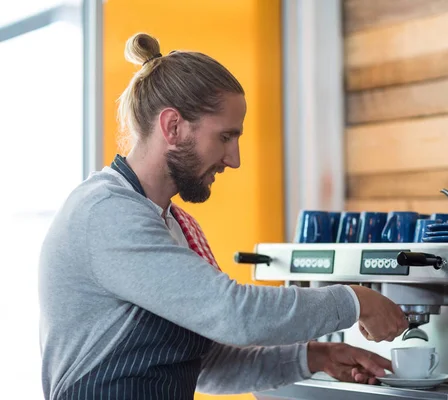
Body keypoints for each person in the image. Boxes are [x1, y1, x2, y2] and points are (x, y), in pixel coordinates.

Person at [38, 32, 408, 400]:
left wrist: (316, 356)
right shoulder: (106, 211)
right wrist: (355, 300)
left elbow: (207, 368)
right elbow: (236, 313)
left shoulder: (173, 224)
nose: (234, 159)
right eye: (225, 137)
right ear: (172, 127)